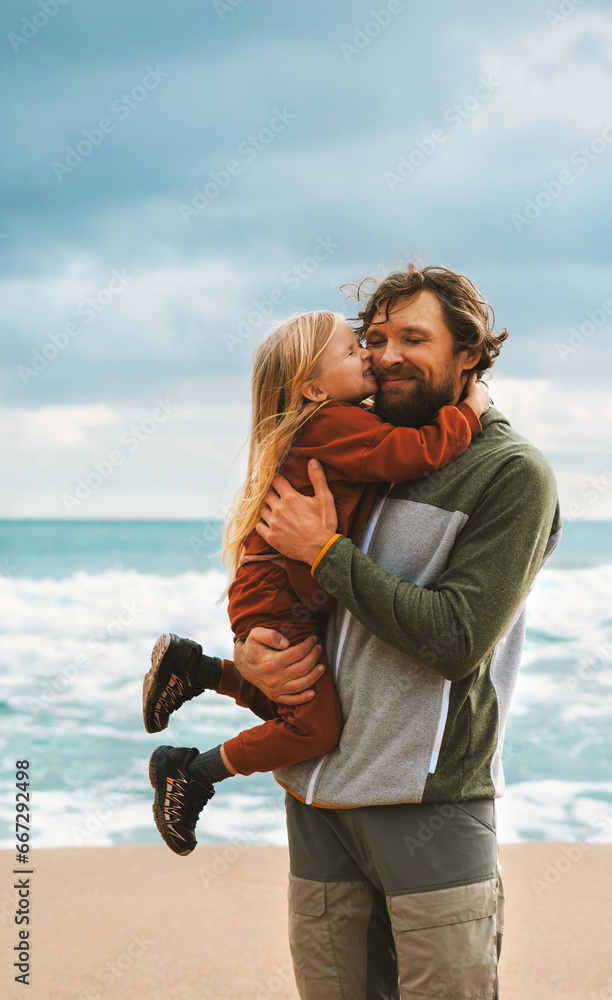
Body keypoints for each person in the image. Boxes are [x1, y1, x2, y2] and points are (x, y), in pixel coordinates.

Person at [230, 264, 561, 1000]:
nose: (385, 354)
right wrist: (252, 657)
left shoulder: (507, 473)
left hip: (428, 805)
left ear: (469, 354)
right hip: (318, 803)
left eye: (414, 337)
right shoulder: (361, 447)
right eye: (374, 338)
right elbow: (295, 597)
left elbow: (453, 639)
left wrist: (324, 552)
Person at [144, 308, 490, 857]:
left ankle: (197, 669)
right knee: (314, 729)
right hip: (279, 592)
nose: (370, 357)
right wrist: (469, 413)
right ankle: (192, 770)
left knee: (292, 701)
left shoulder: (333, 419)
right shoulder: (334, 423)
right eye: (355, 351)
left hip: (271, 588)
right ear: (312, 388)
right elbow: (415, 452)